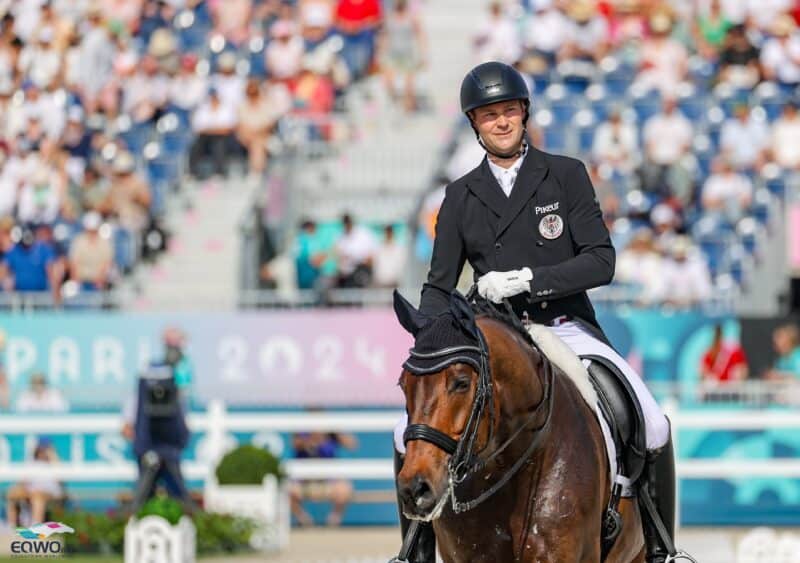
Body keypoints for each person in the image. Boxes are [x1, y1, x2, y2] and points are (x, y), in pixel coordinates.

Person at [393, 62, 677, 563]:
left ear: (523, 114)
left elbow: (601, 260)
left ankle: (660, 547)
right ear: (474, 124)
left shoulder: (565, 175)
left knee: (651, 421)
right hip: (492, 336)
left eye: (508, 112)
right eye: (488, 115)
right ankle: (414, 549)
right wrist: (429, 337)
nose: (500, 122)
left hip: (563, 327)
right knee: (407, 432)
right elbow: (438, 286)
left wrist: (530, 279)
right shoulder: (459, 195)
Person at [288, 430, 357, 526]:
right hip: (304, 482)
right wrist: (309, 441)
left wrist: (335, 433)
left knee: (344, 489)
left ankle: (333, 522)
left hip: (328, 482)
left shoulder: (332, 432)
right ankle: (304, 521)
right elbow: (294, 444)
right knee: (287, 490)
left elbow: (352, 445)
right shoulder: (302, 430)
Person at [5, 438, 62, 526]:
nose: (42, 451)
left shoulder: (54, 463)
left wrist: (52, 456)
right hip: (30, 490)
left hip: (48, 491)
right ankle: (11, 525)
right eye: (41, 448)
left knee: (37, 496)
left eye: (45, 448)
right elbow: (23, 480)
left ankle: (35, 526)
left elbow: (60, 480)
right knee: (12, 493)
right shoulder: (31, 463)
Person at [699, 324, 748, 398]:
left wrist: (738, 376)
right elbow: (703, 371)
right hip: (715, 391)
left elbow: (743, 369)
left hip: (731, 390)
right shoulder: (710, 353)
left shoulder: (733, 350)